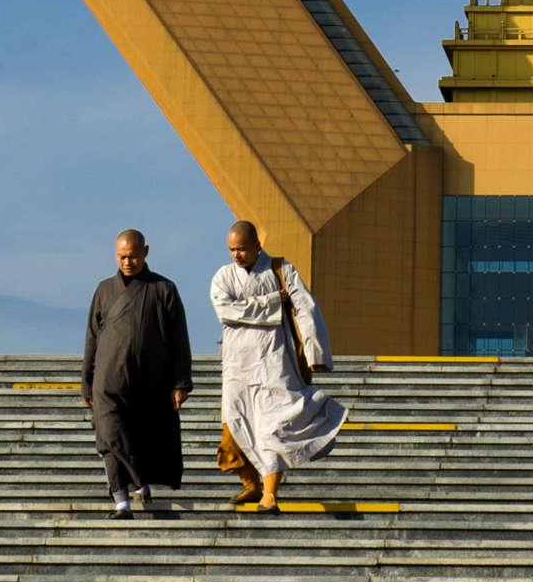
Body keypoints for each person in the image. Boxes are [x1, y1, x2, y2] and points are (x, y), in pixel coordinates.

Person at [210, 219, 344, 511]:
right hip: (237, 366)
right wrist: (271, 301)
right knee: (233, 429)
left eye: (242, 249)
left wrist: (315, 352)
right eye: (232, 249)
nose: (237, 255)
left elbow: (306, 308)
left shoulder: (282, 270)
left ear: (257, 245)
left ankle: (270, 492)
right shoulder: (223, 276)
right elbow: (225, 310)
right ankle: (251, 485)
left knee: (273, 428)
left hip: (275, 360)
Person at [82, 229, 192, 519]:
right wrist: (87, 382)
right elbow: (92, 337)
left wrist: (180, 382)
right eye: (121, 256)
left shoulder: (163, 288)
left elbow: (180, 338)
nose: (127, 262)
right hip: (108, 379)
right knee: (108, 435)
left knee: (137, 436)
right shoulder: (104, 289)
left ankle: (137, 483)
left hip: (149, 380)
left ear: (145, 252)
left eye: (132, 256)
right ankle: (122, 500)